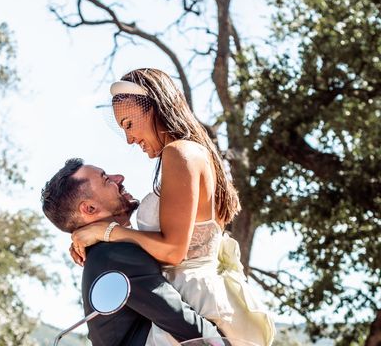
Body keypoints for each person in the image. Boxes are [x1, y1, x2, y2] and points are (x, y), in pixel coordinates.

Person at [70, 68, 276, 346]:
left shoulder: (179, 153)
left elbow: (174, 250)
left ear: (153, 108)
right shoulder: (188, 153)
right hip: (195, 297)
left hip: (196, 302)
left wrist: (107, 232)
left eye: (130, 124)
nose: (129, 139)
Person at [41, 158, 222, 346]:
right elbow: (184, 324)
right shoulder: (114, 254)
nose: (119, 178)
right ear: (90, 208)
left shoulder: (107, 251)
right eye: (106, 179)